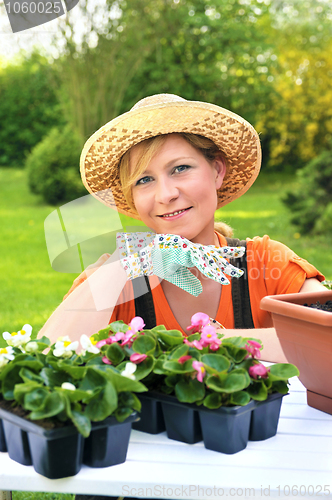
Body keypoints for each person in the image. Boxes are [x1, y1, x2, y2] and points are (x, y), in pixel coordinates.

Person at [39, 93, 325, 363]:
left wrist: (219, 340)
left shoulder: (265, 263)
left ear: (217, 171)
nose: (165, 194)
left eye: (180, 168)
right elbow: (46, 358)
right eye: (143, 180)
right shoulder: (113, 278)